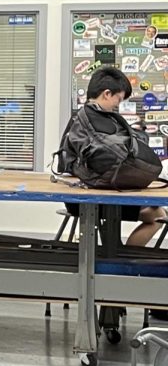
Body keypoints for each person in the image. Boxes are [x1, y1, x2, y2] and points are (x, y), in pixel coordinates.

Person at [62, 66, 165, 248]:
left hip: (97, 193)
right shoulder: (90, 120)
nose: (117, 106)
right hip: (89, 200)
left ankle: (120, 257)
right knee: (157, 215)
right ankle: (125, 261)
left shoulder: (86, 117)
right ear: (107, 94)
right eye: (117, 100)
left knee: (157, 212)